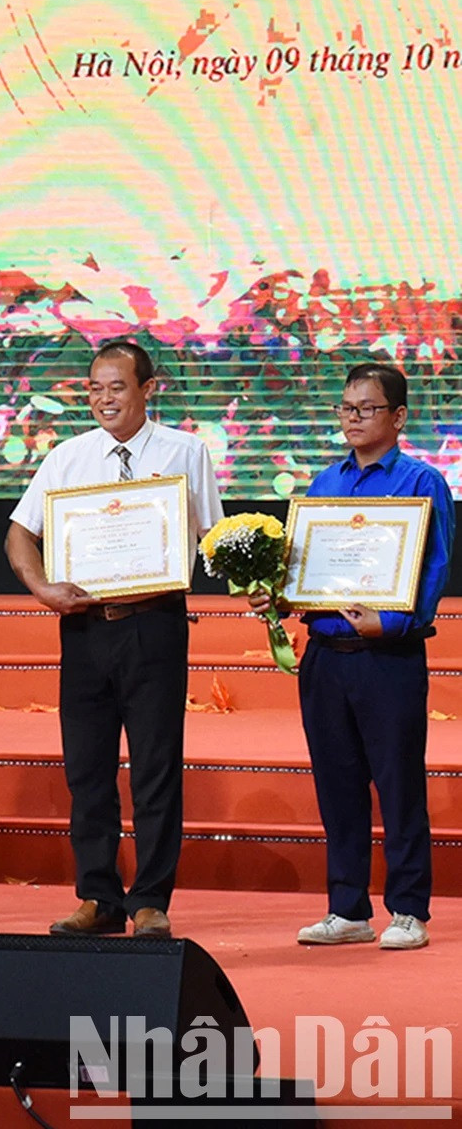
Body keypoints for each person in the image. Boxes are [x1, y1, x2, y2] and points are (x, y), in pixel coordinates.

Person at [6, 340, 223, 938]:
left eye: (117, 387)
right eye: (95, 388)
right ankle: (98, 897)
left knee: (156, 767)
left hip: (154, 625)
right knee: (88, 771)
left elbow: (213, 535)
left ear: (148, 389)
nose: (104, 399)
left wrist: (239, 572)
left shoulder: (186, 451)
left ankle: (150, 898)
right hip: (82, 629)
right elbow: (19, 535)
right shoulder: (69, 458)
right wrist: (42, 587)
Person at [265, 364, 449, 951]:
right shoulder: (324, 484)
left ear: (397, 417)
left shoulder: (422, 482)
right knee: (336, 784)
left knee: (397, 781)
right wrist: (279, 594)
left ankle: (408, 908)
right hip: (325, 655)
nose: (352, 419)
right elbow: (305, 564)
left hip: (388, 656)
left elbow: (433, 567)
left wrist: (390, 622)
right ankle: (347, 908)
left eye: (366, 409)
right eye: (346, 408)